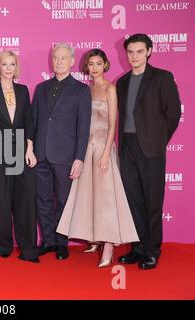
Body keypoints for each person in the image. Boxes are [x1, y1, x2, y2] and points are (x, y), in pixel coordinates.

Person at [57, 49, 139, 267]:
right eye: (91, 64)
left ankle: (109, 245)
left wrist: (105, 154)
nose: (94, 67)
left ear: (105, 65)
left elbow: (113, 124)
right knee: (88, 196)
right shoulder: (86, 90)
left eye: (98, 63)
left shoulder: (110, 89)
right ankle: (95, 237)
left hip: (103, 148)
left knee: (106, 199)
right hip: (86, 148)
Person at [116, 34, 181, 270]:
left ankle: (152, 250)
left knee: (152, 201)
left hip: (151, 148)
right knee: (132, 201)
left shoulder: (162, 77)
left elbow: (173, 114)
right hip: (128, 147)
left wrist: (158, 140)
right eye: (130, 52)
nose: (134, 56)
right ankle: (137, 248)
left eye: (139, 51)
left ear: (149, 51)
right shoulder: (122, 82)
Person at [33, 43, 92, 260]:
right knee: (43, 199)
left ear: (72, 61)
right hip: (40, 154)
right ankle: (47, 240)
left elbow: (83, 128)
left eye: (63, 58)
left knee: (64, 200)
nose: (58, 61)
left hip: (65, 155)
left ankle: (61, 242)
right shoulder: (41, 88)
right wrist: (31, 149)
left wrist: (79, 158)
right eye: (55, 58)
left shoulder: (81, 90)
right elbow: (35, 121)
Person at [0, 51, 39, 263]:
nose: (8, 68)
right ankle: (3, 245)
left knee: (25, 199)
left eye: (12, 64)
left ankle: (28, 247)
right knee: (2, 199)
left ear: (16, 67)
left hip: (23, 148)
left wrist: (30, 148)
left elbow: (29, 121)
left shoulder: (23, 91)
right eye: (4, 64)